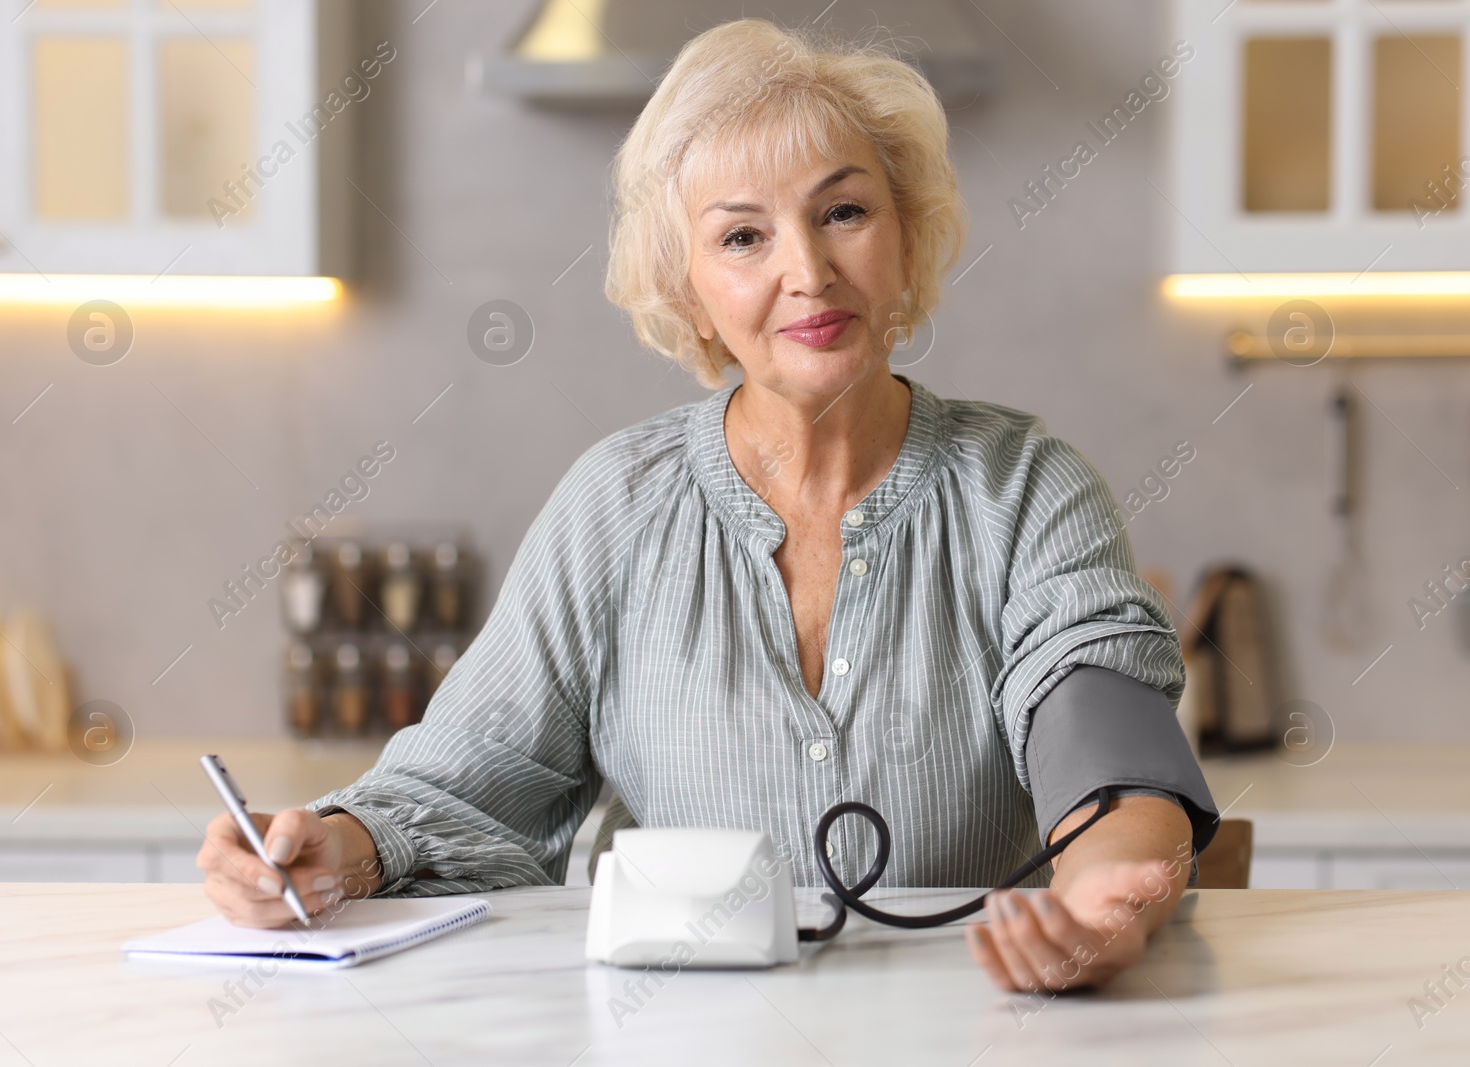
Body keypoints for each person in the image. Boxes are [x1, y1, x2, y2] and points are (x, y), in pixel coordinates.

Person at [198, 18, 1219, 994]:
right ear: (686, 288)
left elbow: (1112, 760)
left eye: (844, 212)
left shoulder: (1027, 485)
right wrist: (332, 851)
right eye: (742, 236)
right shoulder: (615, 504)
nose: (807, 272)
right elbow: (461, 783)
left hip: (972, 1016)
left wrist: (1099, 904)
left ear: (904, 237)